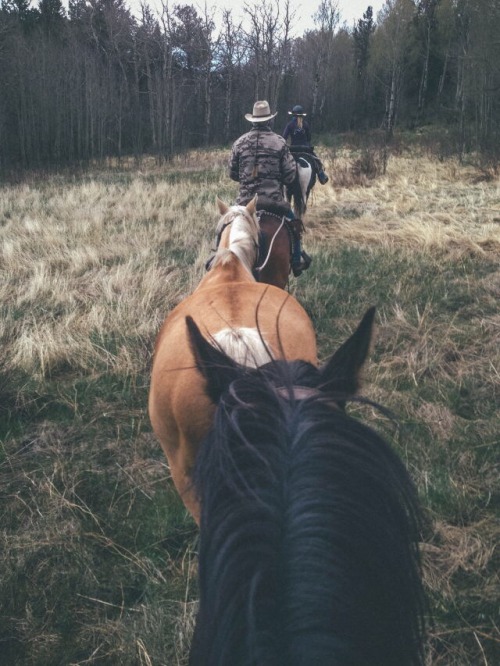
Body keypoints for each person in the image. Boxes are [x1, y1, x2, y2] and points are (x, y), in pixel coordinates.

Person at [228, 100, 311, 276]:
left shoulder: (239, 143)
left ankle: (216, 262)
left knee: (224, 228)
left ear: (252, 121)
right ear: (269, 121)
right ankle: (296, 261)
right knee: (294, 225)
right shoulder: (280, 143)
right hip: (274, 203)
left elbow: (232, 174)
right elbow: (290, 175)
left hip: (245, 204)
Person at [282, 104, 329, 184]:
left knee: (281, 162)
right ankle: (322, 176)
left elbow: (284, 137)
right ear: (302, 115)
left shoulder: (290, 125)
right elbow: (309, 138)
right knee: (317, 161)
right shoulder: (306, 124)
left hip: (293, 148)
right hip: (306, 148)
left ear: (293, 115)